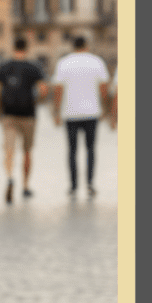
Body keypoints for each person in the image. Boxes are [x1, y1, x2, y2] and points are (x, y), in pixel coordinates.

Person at [52, 36, 110, 196]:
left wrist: (56, 111)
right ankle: (90, 183)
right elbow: (104, 88)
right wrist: (105, 108)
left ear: (73, 46)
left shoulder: (63, 63)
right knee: (90, 149)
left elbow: (58, 89)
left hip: (70, 113)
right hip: (91, 112)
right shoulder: (97, 61)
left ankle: (73, 185)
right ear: (87, 46)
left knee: (72, 150)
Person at [0, 38, 48, 203]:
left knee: (9, 150)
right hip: (28, 115)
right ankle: (25, 186)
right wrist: (35, 101)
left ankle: (10, 177)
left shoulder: (4, 66)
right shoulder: (34, 67)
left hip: (9, 114)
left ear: (13, 47)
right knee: (27, 151)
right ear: (27, 48)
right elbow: (44, 89)